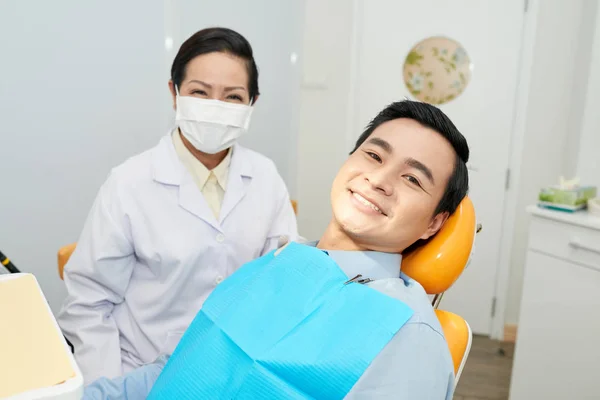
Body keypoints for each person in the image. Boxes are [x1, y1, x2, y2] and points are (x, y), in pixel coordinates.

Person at [82, 99, 469, 399]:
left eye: (412, 179)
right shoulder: (276, 263)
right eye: (373, 155)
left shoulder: (407, 334)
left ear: (435, 222)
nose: (380, 179)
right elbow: (178, 371)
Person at [57, 27, 298, 384]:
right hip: (142, 373)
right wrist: (110, 389)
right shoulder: (129, 183)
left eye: (232, 97)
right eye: (200, 92)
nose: (215, 108)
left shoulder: (265, 177)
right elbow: (89, 305)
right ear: (174, 93)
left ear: (251, 105)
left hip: (235, 371)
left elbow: (281, 285)